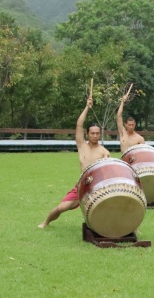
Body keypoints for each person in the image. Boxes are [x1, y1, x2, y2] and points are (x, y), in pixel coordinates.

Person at [38, 94, 110, 229]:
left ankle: (129, 228)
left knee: (113, 206)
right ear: (87, 134)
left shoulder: (104, 151)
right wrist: (87, 107)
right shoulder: (82, 146)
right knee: (61, 208)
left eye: (97, 133)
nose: (95, 136)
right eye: (92, 133)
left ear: (100, 134)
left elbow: (107, 167)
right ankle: (46, 222)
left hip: (98, 187)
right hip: (82, 185)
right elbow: (79, 124)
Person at [116, 89, 154, 206]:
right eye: (129, 125)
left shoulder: (139, 138)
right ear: (125, 125)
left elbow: (143, 153)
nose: (131, 127)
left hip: (136, 163)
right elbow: (118, 116)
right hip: (124, 162)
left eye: (133, 125)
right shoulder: (123, 133)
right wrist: (123, 102)